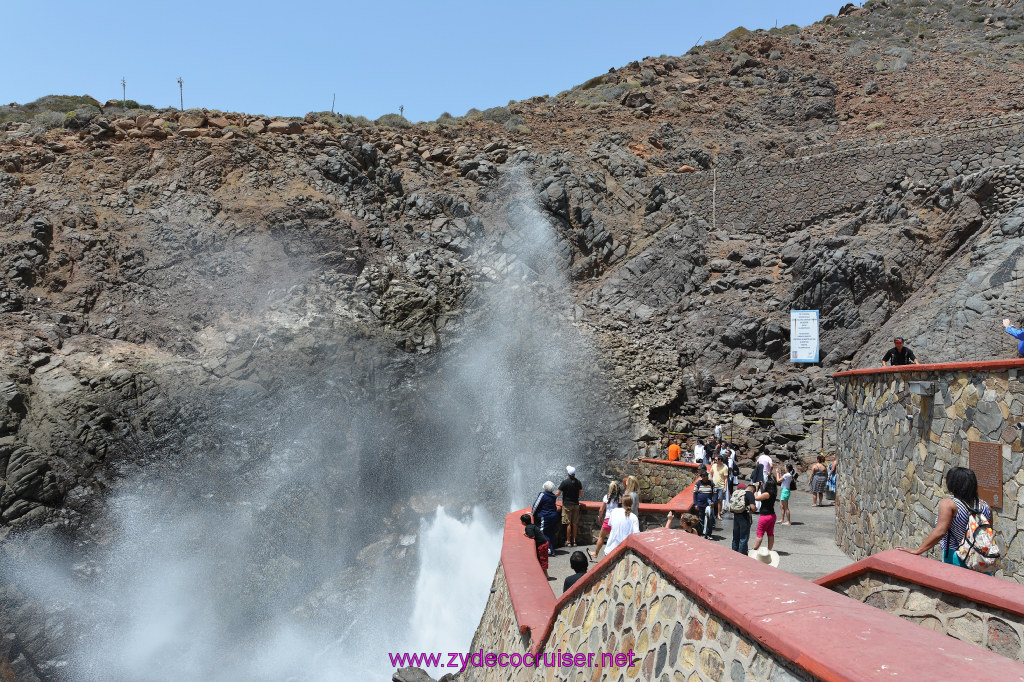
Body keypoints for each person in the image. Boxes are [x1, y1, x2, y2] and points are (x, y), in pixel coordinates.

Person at [898, 467, 993, 566]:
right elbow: (988, 535)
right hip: (981, 562)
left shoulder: (949, 504)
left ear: (953, 484)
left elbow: (940, 531)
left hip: (957, 560)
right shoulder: (986, 507)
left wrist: (918, 550)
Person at [589, 481, 622, 560]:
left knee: (601, 537)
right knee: (617, 538)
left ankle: (596, 553)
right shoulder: (621, 497)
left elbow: (601, 510)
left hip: (608, 519)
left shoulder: (607, 497)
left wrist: (600, 517)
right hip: (618, 520)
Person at [752, 469, 778, 552]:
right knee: (770, 533)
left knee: (760, 534)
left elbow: (756, 498)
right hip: (772, 515)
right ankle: (769, 550)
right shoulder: (773, 493)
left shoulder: (767, 494)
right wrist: (761, 487)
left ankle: (754, 550)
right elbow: (764, 495)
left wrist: (756, 489)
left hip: (765, 516)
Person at [557, 466, 583, 547]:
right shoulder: (578, 482)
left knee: (568, 523)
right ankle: (574, 541)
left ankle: (568, 541)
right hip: (576, 504)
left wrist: (551, 498)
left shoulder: (565, 482)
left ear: (568, 474)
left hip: (567, 505)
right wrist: (576, 497)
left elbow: (558, 493)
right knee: (575, 523)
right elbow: (581, 493)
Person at [531, 481, 560, 555]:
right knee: (551, 533)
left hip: (546, 516)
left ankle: (549, 550)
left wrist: (532, 514)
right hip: (554, 516)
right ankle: (551, 549)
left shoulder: (542, 494)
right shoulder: (553, 496)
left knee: (542, 532)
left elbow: (536, 505)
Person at [521, 513, 550, 579]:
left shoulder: (528, 528)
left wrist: (525, 535)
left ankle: (546, 576)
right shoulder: (532, 525)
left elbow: (532, 536)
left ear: (524, 522)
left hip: (542, 545)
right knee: (542, 559)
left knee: (543, 559)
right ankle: (545, 575)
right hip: (544, 543)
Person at [731, 483, 757, 555]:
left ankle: (734, 553)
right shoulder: (750, 494)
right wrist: (756, 508)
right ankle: (741, 555)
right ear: (753, 490)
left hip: (736, 515)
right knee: (743, 538)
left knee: (735, 536)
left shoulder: (738, 492)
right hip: (744, 517)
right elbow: (753, 508)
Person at [692, 467, 716, 539]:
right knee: (701, 519)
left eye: (705, 476)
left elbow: (715, 494)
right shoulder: (698, 483)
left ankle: (709, 534)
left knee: (709, 519)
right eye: (703, 476)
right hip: (700, 504)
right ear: (701, 477)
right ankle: (703, 533)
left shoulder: (711, 484)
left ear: (707, 476)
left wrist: (713, 502)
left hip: (709, 505)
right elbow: (695, 494)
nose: (704, 477)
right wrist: (696, 504)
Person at [710, 455, 730, 521]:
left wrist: (725, 487)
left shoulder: (724, 467)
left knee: (720, 501)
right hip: (714, 485)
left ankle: (718, 514)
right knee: (714, 500)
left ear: (720, 460)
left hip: (721, 486)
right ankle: (713, 513)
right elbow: (711, 473)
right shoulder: (714, 466)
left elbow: (726, 478)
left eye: (717, 460)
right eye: (715, 459)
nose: (715, 461)